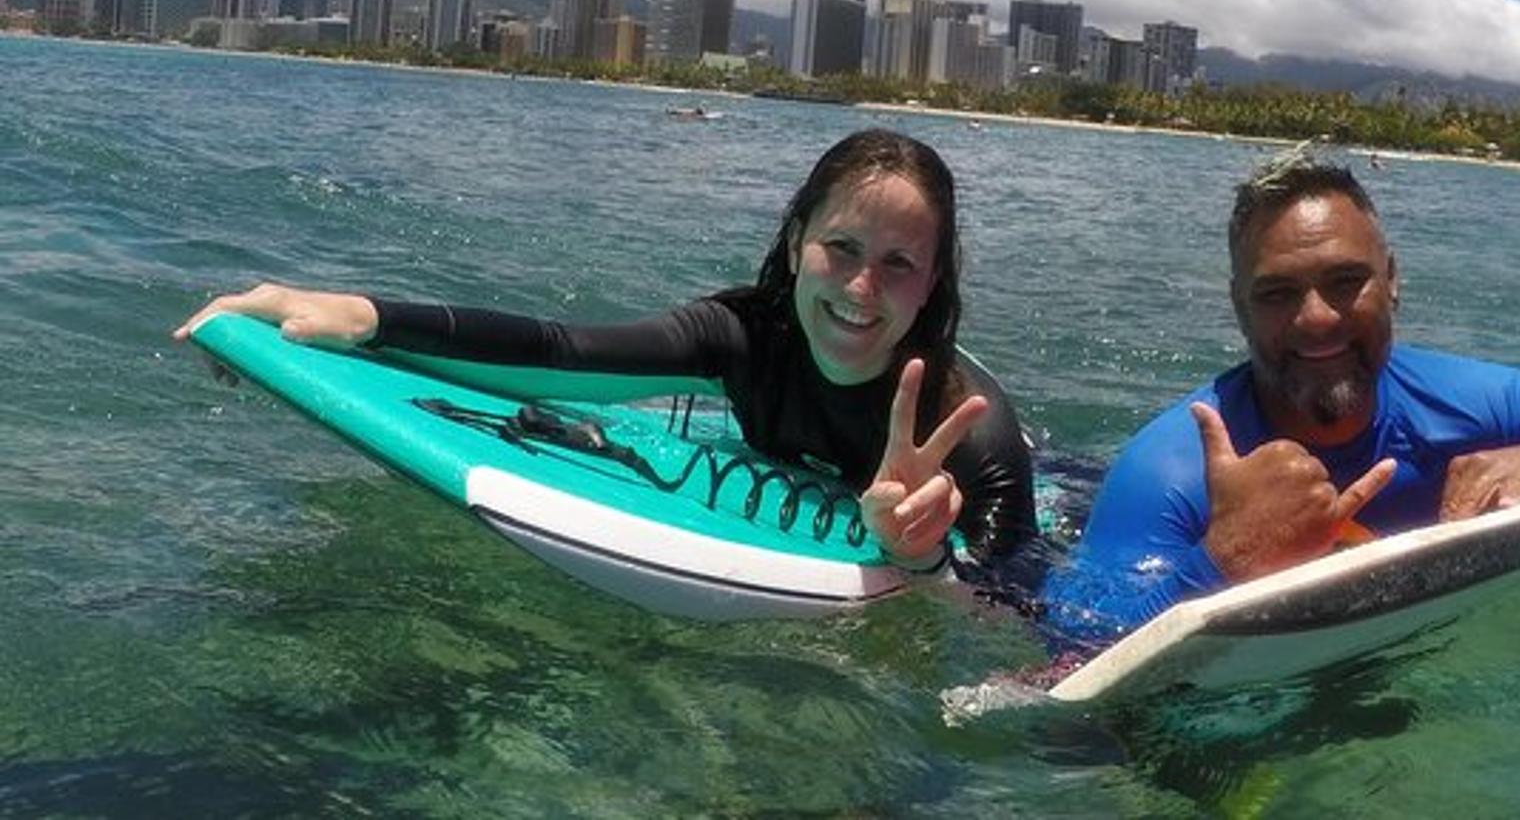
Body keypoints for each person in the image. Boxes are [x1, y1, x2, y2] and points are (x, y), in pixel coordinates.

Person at [175, 128, 1036, 571]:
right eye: (841, 249)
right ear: (798, 235)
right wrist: (364, 315)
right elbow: (564, 349)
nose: (858, 290)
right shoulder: (747, 333)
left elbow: (1010, 612)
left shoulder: (972, 435)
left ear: (932, 286)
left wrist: (916, 551)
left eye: (898, 265)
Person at [1043, 152, 1520, 643]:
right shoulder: (1173, 466)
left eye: (1347, 281)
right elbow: (1069, 639)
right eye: (1278, 292)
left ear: (1393, 280)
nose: (1317, 317)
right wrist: (1223, 558)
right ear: (1237, 306)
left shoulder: (1475, 405)